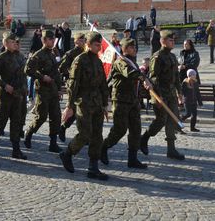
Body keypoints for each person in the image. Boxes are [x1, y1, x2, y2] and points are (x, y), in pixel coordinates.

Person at [59, 32, 110, 180]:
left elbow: (103, 84)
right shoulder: (79, 60)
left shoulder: (98, 61)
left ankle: (93, 168)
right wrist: (69, 107)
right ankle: (67, 154)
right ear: (88, 44)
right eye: (96, 44)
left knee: (97, 136)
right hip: (84, 102)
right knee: (85, 134)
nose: (99, 47)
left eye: (100, 45)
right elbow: (73, 85)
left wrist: (105, 104)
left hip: (97, 103)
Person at [101, 38, 152, 169]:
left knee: (136, 129)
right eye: (131, 47)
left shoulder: (133, 63)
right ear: (124, 49)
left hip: (133, 101)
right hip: (121, 100)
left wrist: (146, 80)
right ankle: (103, 147)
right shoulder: (120, 62)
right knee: (120, 129)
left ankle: (132, 159)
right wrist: (143, 78)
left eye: (134, 46)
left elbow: (137, 74)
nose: (135, 49)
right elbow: (129, 73)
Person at [140, 30, 186, 161]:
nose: (173, 42)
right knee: (161, 121)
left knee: (172, 120)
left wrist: (179, 93)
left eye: (173, 40)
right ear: (163, 41)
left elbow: (176, 77)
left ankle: (171, 149)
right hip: (160, 94)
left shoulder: (172, 56)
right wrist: (159, 97)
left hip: (171, 94)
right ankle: (144, 138)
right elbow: (153, 79)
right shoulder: (157, 56)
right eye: (170, 40)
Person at [0, 33, 28, 159]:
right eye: (11, 42)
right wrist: (4, 85)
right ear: (5, 43)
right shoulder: (1, 58)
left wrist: (24, 90)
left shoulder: (21, 57)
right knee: (2, 121)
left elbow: (23, 76)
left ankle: (16, 149)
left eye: (15, 42)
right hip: (5, 95)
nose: (15, 44)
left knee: (16, 122)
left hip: (18, 95)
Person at [24, 29, 63, 153]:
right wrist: (42, 77)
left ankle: (53, 143)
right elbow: (27, 70)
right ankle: (29, 133)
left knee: (56, 116)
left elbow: (56, 73)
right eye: (50, 39)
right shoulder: (38, 55)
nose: (52, 41)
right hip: (42, 90)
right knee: (41, 116)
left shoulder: (52, 54)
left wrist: (59, 88)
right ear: (44, 40)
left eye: (53, 40)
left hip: (53, 90)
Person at [57, 32, 86, 142]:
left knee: (84, 110)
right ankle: (63, 127)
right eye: (81, 39)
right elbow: (61, 67)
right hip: (75, 85)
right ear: (76, 41)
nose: (83, 41)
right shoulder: (71, 53)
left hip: (84, 85)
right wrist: (71, 73)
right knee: (74, 110)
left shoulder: (87, 52)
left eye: (84, 40)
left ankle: (84, 134)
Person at [179, 39, 202, 107]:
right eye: (184, 44)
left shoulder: (195, 53)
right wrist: (179, 66)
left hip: (191, 75)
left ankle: (197, 103)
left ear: (190, 45)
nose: (184, 46)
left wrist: (185, 66)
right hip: (182, 74)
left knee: (193, 90)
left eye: (186, 44)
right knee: (182, 90)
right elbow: (179, 61)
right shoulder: (182, 52)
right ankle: (182, 103)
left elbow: (195, 64)